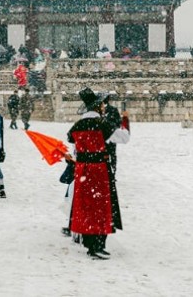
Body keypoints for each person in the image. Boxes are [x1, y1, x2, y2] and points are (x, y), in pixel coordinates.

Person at [66, 87, 126, 259]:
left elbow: (71, 138)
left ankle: (88, 241)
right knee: (100, 207)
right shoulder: (102, 124)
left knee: (86, 206)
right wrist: (125, 122)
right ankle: (98, 244)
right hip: (98, 168)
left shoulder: (78, 125)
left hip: (82, 168)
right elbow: (122, 138)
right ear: (98, 107)